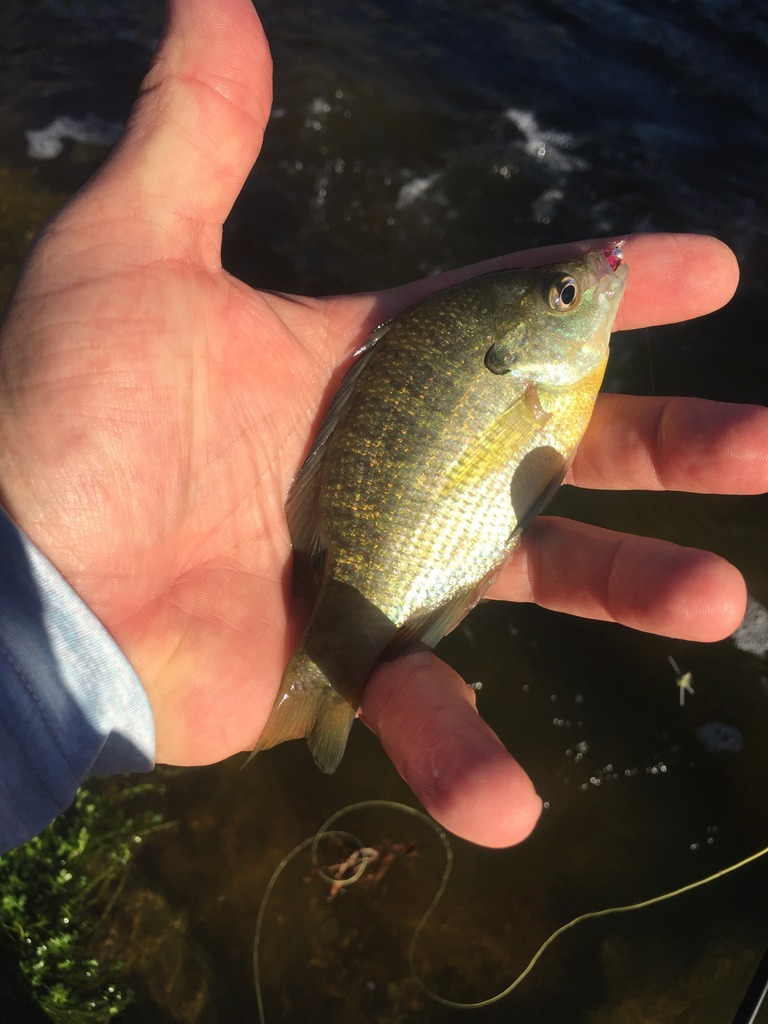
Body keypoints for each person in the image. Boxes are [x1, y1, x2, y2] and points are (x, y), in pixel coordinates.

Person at [1, 0, 766, 855]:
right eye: (567, 295)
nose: (595, 278)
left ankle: (317, 684)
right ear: (522, 343)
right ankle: (315, 685)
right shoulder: (546, 382)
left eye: (568, 291)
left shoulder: (543, 374)